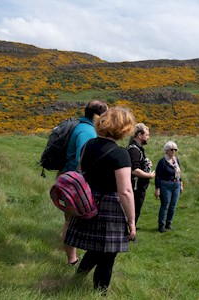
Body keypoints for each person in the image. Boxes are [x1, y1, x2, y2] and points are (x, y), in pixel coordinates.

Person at [64, 106, 136, 292]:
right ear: (123, 128)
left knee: (96, 248)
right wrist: (132, 221)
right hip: (109, 205)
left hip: (88, 201)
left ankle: (77, 279)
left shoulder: (89, 145)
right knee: (108, 254)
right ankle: (100, 293)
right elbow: (126, 191)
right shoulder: (121, 154)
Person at [60, 100, 108, 265]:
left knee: (70, 219)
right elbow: (83, 159)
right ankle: (72, 260)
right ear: (96, 116)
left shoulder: (81, 126)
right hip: (75, 182)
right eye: (104, 116)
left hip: (68, 178)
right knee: (71, 221)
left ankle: (73, 256)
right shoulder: (87, 131)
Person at [126, 123, 155, 226]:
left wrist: (145, 164)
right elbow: (134, 170)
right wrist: (150, 175)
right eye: (146, 135)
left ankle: (130, 230)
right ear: (139, 135)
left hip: (137, 187)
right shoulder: (134, 150)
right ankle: (130, 233)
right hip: (135, 188)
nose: (148, 137)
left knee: (134, 211)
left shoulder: (136, 149)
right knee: (133, 211)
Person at [154, 141, 183, 233]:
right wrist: (157, 189)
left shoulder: (176, 160)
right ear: (166, 150)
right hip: (165, 185)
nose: (173, 151)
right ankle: (161, 226)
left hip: (176, 184)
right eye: (171, 149)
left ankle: (169, 224)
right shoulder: (162, 162)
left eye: (175, 149)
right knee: (165, 205)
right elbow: (157, 176)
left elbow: (179, 173)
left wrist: (181, 184)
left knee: (173, 205)